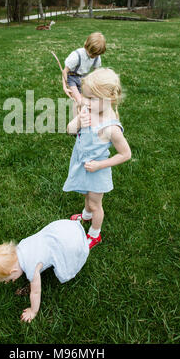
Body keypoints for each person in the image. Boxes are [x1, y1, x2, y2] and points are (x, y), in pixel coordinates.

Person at [63, 67, 131, 250]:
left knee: (96, 203)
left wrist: (100, 165)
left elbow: (126, 154)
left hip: (96, 170)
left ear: (109, 98)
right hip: (81, 163)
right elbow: (69, 130)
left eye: (91, 98)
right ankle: (86, 215)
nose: (85, 101)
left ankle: (94, 233)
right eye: (85, 96)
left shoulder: (112, 128)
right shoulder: (87, 111)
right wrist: (78, 122)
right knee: (86, 194)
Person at [0, 219, 89, 323]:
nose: (11, 280)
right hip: (62, 230)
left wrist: (33, 311)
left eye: (10, 278)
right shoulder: (21, 245)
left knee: (66, 260)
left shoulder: (31, 268)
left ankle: (83, 243)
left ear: (13, 271)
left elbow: (35, 292)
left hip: (69, 244)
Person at [62, 32, 106, 106]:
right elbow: (64, 71)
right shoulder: (76, 56)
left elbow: (96, 72)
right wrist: (64, 86)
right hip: (72, 78)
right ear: (86, 46)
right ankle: (77, 116)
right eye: (92, 53)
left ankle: (81, 115)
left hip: (84, 78)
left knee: (85, 100)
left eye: (96, 54)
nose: (93, 56)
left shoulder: (97, 56)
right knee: (79, 101)